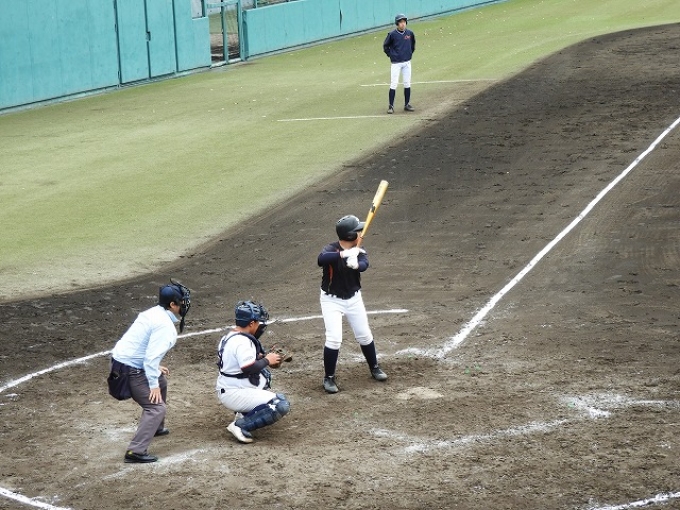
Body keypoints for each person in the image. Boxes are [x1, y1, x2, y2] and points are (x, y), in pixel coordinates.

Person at [110, 280, 191, 463]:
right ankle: (135, 452)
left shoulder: (153, 312)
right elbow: (150, 359)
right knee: (156, 407)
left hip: (124, 361)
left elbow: (139, 344)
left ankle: (156, 428)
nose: (185, 305)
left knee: (161, 381)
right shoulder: (165, 326)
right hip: (128, 370)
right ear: (172, 305)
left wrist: (154, 372)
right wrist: (152, 383)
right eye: (182, 302)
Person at [318, 215, 388, 394]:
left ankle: (374, 367)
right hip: (331, 301)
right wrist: (343, 254)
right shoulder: (331, 249)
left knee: (364, 335)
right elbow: (321, 259)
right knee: (334, 339)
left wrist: (356, 264)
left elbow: (365, 264)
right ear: (350, 235)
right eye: (358, 231)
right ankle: (329, 378)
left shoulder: (359, 250)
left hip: (354, 299)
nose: (360, 233)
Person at [216, 300, 290, 444]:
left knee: (263, 378)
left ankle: (243, 413)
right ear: (251, 323)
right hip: (234, 392)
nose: (260, 325)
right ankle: (240, 426)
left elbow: (242, 363)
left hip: (229, 386)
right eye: (258, 322)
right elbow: (248, 368)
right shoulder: (242, 342)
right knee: (280, 404)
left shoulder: (230, 336)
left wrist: (265, 358)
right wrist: (267, 360)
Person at [383, 13, 416, 114]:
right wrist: (391, 55)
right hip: (396, 63)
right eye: (401, 22)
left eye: (404, 22)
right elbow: (386, 46)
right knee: (394, 83)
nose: (403, 24)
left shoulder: (410, 33)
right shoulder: (392, 34)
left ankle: (407, 104)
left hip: (407, 62)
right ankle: (391, 106)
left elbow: (412, 45)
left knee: (407, 83)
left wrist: (409, 54)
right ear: (397, 23)